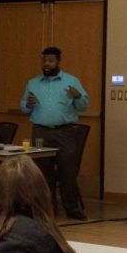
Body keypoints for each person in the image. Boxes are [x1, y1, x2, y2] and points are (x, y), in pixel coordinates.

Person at [20, 46, 89, 220]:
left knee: (68, 172)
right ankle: (47, 210)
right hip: (41, 132)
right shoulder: (33, 83)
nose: (47, 64)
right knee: (43, 173)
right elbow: (23, 107)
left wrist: (77, 96)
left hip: (65, 133)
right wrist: (29, 104)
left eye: (50, 61)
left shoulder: (71, 81)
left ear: (58, 61)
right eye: (44, 61)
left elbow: (83, 106)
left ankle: (72, 209)